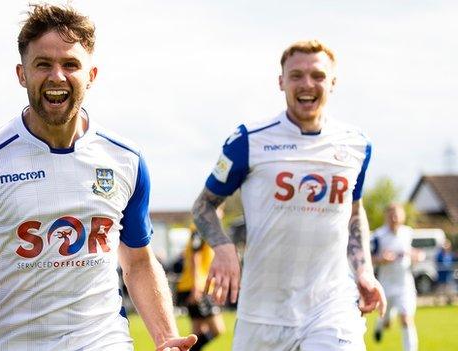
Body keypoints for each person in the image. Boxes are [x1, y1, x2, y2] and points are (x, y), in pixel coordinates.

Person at [0, 4, 196, 351]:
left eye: (71, 64)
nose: (57, 76)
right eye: (43, 64)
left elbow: (139, 261)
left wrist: (166, 337)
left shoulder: (125, 159)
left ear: (91, 75)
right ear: (22, 74)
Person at [191, 40, 386, 350]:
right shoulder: (248, 141)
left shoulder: (356, 145)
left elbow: (354, 212)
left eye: (318, 75)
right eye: (296, 75)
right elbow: (203, 205)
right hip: (263, 312)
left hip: (330, 306)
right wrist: (223, 247)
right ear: (281, 82)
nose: (307, 83)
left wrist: (364, 270)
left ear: (333, 82)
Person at [371, 203, 423, 351]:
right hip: (385, 285)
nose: (394, 217)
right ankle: (379, 327)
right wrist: (381, 259)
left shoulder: (408, 232)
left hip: (405, 285)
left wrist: (416, 256)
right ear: (386, 216)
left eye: (397, 213)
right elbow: (368, 258)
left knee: (406, 320)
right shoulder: (378, 236)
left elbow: (414, 252)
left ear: (402, 216)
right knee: (386, 321)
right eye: (391, 213)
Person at [176, 222, 226, 350]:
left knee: (196, 333)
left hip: (197, 286)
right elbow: (195, 257)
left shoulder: (208, 229)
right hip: (197, 287)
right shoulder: (200, 228)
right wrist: (196, 287)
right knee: (217, 329)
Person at [435, 239, 455, 305]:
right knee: (440, 289)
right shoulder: (440, 255)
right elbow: (439, 263)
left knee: (449, 289)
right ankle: (437, 301)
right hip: (441, 275)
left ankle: (450, 301)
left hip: (448, 275)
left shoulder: (450, 254)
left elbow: (452, 262)